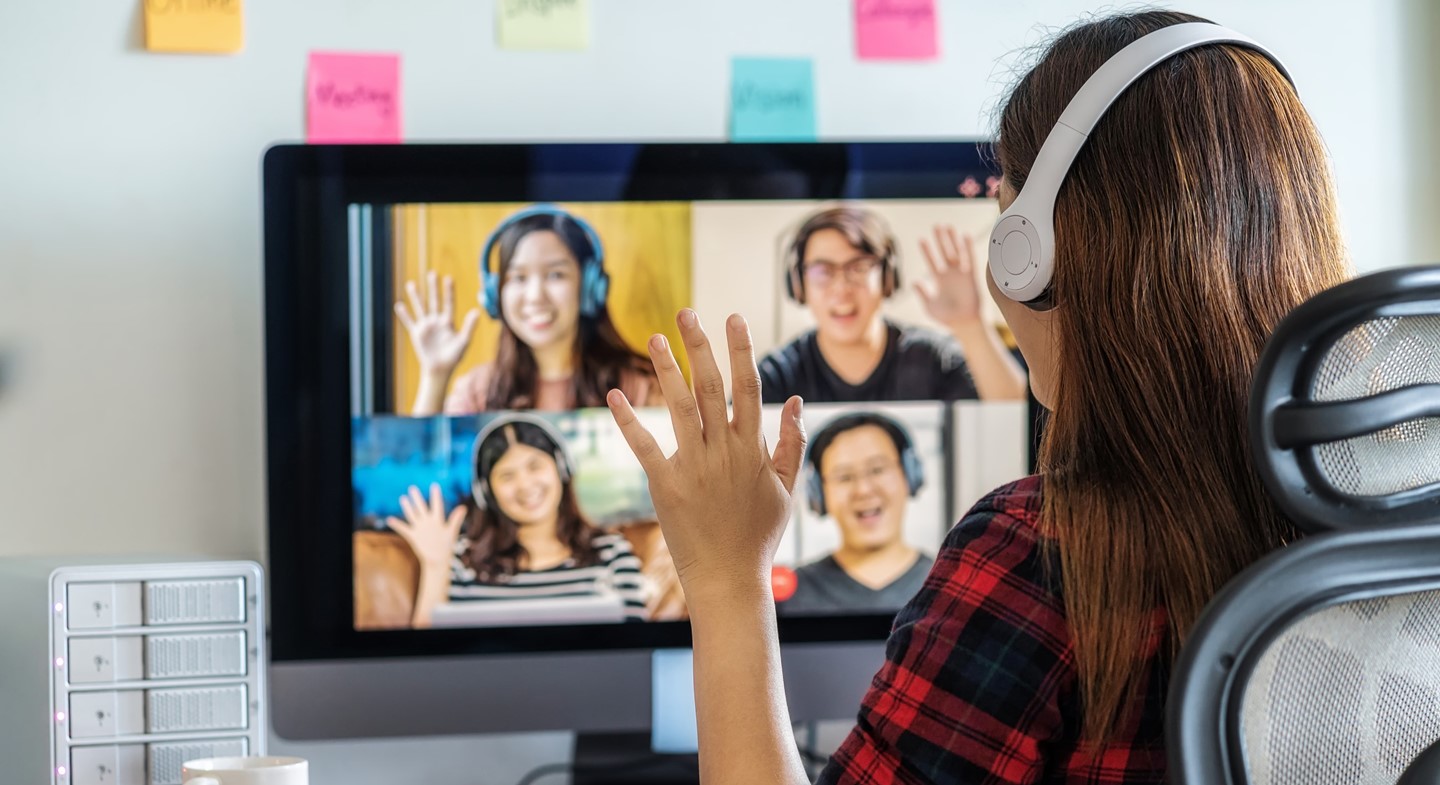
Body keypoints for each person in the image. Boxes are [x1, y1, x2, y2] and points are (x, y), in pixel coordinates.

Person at [604, 11, 1350, 783]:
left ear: (1032, 257)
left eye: (1004, 224)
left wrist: (726, 576)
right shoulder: (1382, 503)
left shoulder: (1040, 556)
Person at [393, 205, 662, 416]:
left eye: (556, 275)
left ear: (590, 286)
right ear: (495, 295)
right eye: (518, 278)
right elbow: (421, 479)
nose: (535, 296)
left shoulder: (640, 388)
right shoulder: (478, 392)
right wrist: (435, 376)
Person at [388, 414, 649, 627]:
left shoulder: (611, 552)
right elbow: (428, 657)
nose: (525, 485)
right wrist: (435, 565)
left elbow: (637, 646)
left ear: (562, 469)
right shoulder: (461, 559)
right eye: (507, 476)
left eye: (535, 466)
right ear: (487, 492)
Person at [758, 206, 1028, 403]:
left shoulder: (930, 358)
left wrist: (970, 325)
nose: (841, 288)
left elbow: (1012, 407)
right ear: (799, 283)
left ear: (887, 277)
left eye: (859, 268)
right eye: (823, 271)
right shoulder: (778, 375)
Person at [780, 412, 933, 614]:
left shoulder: (953, 581)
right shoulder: (789, 595)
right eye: (844, 477)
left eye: (877, 470)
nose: (863, 490)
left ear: (910, 475)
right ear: (819, 494)